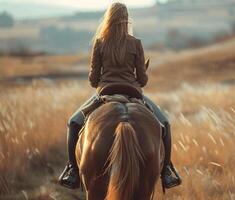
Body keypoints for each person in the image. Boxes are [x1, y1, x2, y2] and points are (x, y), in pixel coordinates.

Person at [58, 2, 181, 190]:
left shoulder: (99, 43)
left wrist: (104, 78)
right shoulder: (136, 44)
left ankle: (72, 170)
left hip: (105, 94)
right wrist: (139, 74)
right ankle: (166, 172)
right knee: (164, 124)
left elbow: (93, 80)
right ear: (126, 20)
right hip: (133, 93)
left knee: (73, 123)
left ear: (108, 19)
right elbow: (142, 79)